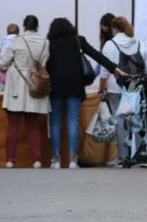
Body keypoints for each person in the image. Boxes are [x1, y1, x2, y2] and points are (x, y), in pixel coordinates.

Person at [46, 18, 125, 169]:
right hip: (74, 87)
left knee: (55, 122)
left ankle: (55, 160)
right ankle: (73, 160)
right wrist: (114, 68)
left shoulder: (49, 44)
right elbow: (97, 55)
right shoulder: (78, 41)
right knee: (73, 121)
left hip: (55, 88)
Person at [0, 15, 50, 169]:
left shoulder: (17, 41)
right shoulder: (45, 43)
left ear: (24, 26)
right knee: (33, 124)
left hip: (16, 86)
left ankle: (10, 160)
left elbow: (2, 64)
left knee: (13, 124)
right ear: (37, 26)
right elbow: (44, 62)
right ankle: (37, 160)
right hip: (35, 84)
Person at [99, 17, 145, 165]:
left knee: (119, 121)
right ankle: (138, 154)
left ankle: (122, 157)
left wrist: (101, 88)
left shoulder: (110, 45)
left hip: (116, 87)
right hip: (135, 87)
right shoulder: (137, 43)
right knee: (136, 119)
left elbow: (104, 71)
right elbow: (145, 65)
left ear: (114, 29)